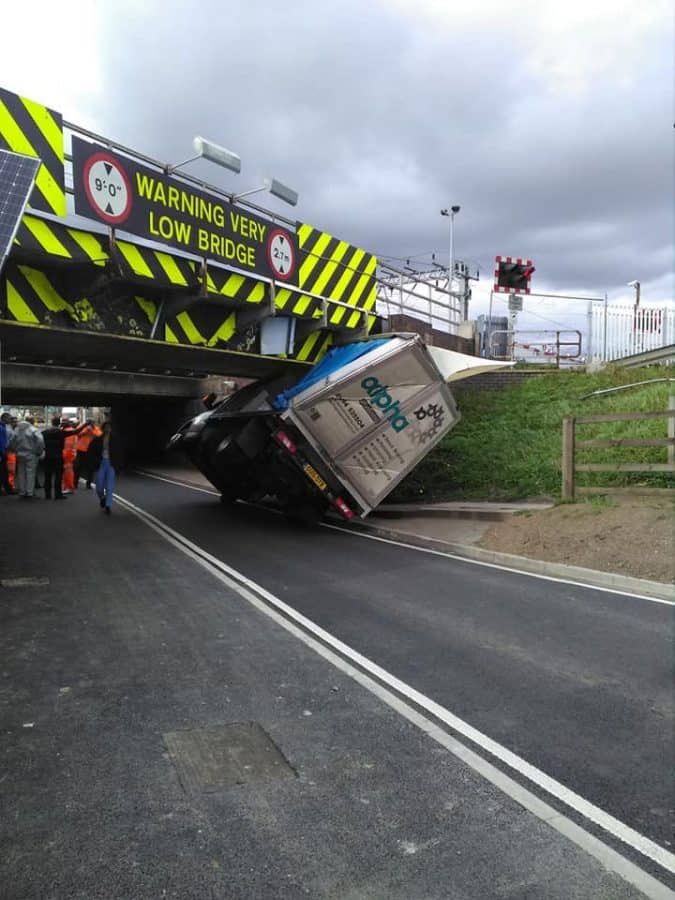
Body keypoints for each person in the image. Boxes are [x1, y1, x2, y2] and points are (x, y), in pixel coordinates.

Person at [88, 412, 124, 515]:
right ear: (103, 428)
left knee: (109, 486)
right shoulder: (98, 440)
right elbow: (91, 452)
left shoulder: (116, 440)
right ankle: (102, 498)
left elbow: (120, 454)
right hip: (102, 463)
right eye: (106, 427)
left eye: (110, 427)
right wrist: (94, 463)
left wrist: (119, 466)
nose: (108, 429)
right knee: (99, 486)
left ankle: (108, 505)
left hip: (111, 464)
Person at [9, 416, 44, 498]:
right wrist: (39, 451)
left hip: (20, 454)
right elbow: (40, 441)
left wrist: (14, 450)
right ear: (32, 422)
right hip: (31, 454)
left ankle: (22, 491)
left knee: (21, 473)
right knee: (30, 473)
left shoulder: (17, 429)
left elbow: (12, 441)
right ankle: (29, 492)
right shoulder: (33, 430)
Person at [41, 417, 67, 500]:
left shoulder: (44, 432)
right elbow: (62, 445)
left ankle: (47, 494)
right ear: (59, 423)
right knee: (58, 476)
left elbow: (41, 443)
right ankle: (57, 494)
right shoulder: (61, 432)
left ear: (52, 423)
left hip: (48, 456)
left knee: (47, 475)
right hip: (58, 456)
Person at [74, 419, 101, 489]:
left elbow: (99, 435)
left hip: (91, 451)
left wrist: (91, 430)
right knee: (78, 467)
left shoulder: (96, 428)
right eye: (89, 423)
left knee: (90, 468)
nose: (91, 424)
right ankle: (75, 483)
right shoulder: (82, 427)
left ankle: (88, 484)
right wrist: (86, 430)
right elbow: (77, 434)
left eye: (92, 423)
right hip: (81, 450)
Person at [0, 413, 14, 495]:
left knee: (4, 471)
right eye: (9, 418)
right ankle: (4, 489)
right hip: (2, 452)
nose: (10, 420)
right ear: (4, 418)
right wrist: (2, 453)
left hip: (4, 452)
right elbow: (1, 442)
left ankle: (7, 488)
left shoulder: (4, 427)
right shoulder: (1, 428)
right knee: (2, 471)